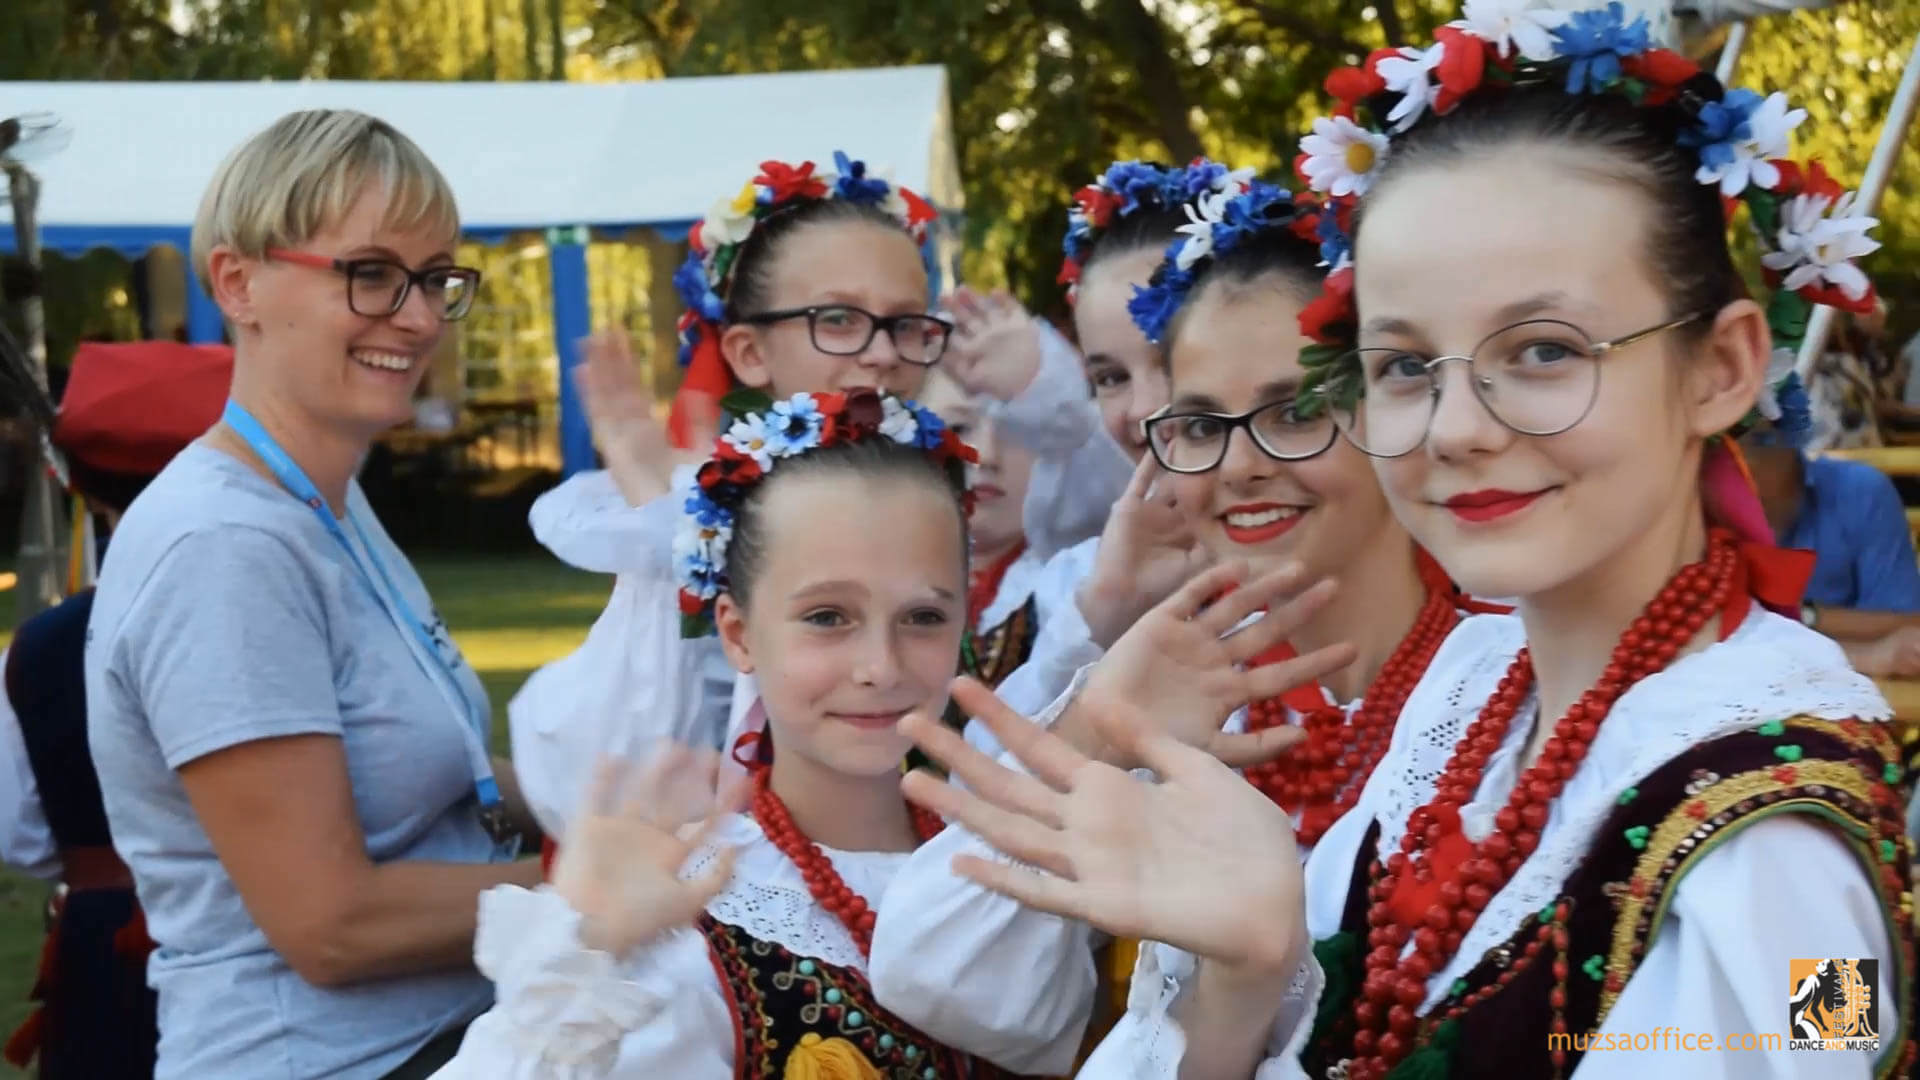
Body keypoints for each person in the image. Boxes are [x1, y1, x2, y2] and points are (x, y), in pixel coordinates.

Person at [900, 6, 1912, 1077]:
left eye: (1542, 350)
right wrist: (1248, 971)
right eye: (1404, 367)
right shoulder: (1474, 700)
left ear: (1721, 368)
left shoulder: (1782, 839)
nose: (1458, 428)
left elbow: (1829, 1043)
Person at [433, 388, 1344, 1077]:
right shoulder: (703, 908)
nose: (879, 663)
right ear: (740, 634)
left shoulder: (1026, 845)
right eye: (827, 617)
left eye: (922, 617)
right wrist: (584, 943)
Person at [872, 177, 1485, 1073]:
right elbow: (928, 972)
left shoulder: (1516, 687)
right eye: (1199, 424)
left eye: (1293, 412)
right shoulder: (1199, 715)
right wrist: (1098, 729)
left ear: (1388, 407)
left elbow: (1758, 1038)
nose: (1239, 465)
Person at [85, 109, 544, 1080]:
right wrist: (596, 889)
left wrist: (613, 787)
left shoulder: (324, 500)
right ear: (238, 283)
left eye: (435, 279)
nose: (417, 318)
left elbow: (424, 766)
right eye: (371, 274)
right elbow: (330, 925)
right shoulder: (224, 545)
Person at [506, 154, 968, 840]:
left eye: (905, 324)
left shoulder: (945, 489)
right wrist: (660, 519)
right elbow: (606, 775)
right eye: (839, 319)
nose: (881, 354)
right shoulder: (715, 527)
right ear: (749, 353)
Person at [0, 342, 231, 1078]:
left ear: (87, 490)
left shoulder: (38, 645)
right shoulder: (279, 619)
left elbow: (19, 830)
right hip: (248, 941)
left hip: (104, 950)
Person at [1743, 433, 1920, 677]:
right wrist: (1867, 657)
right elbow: (1715, 644)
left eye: (1759, 440)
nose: (1743, 459)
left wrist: (1804, 615)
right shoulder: (1695, 507)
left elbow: (1905, 630)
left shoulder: (1860, 490)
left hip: (1855, 698)